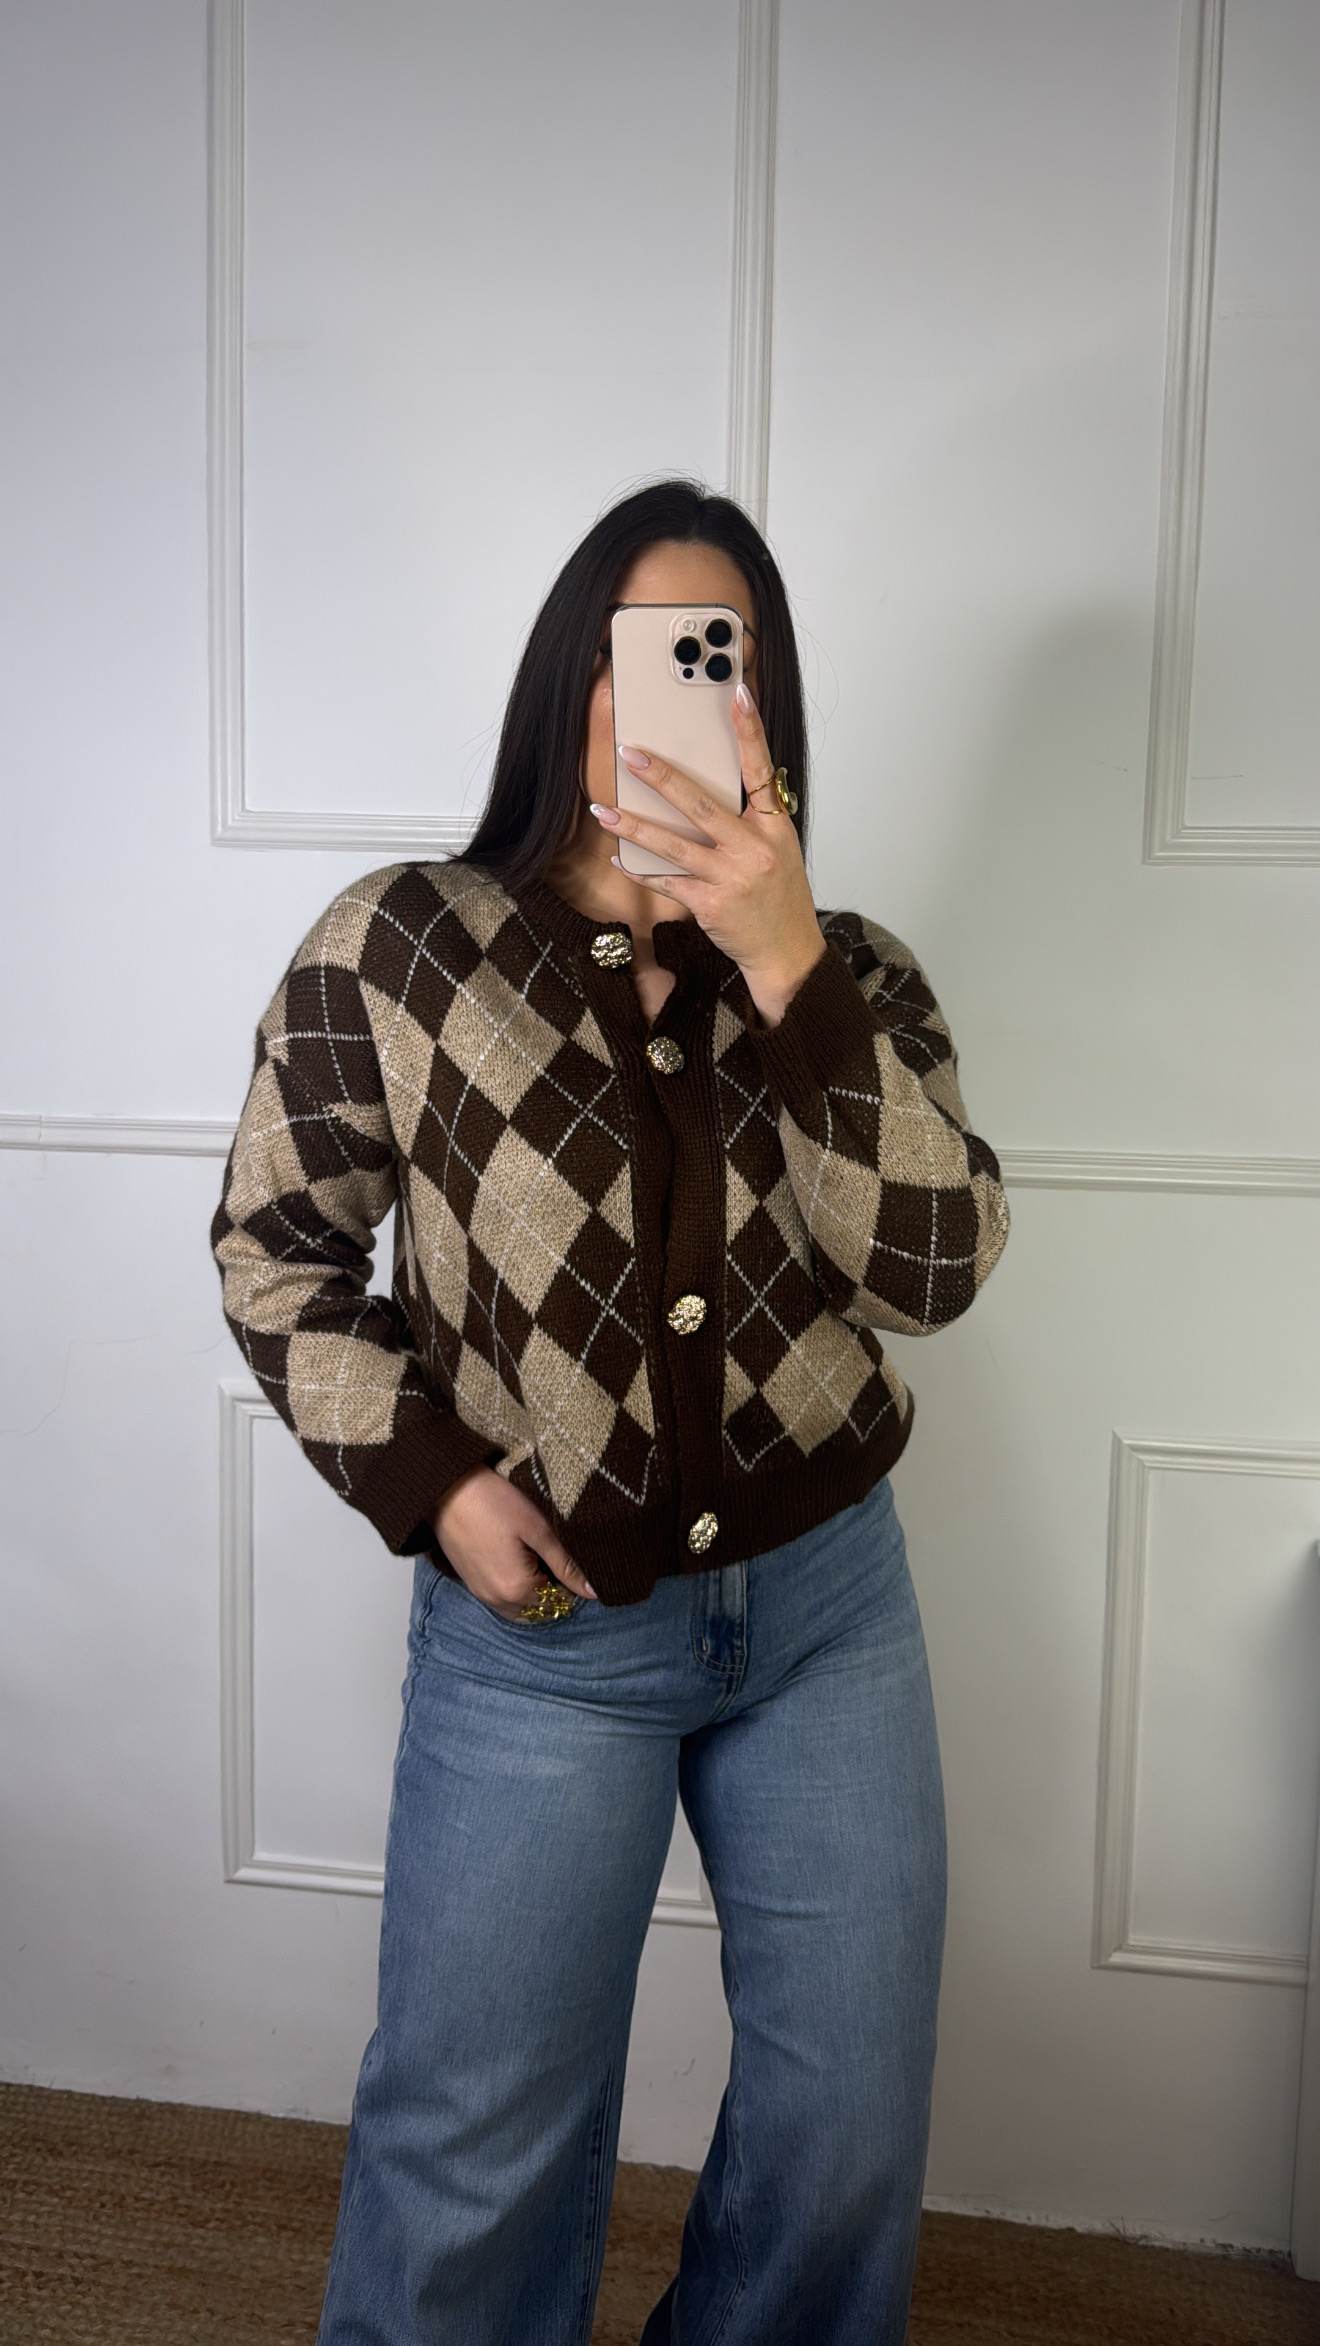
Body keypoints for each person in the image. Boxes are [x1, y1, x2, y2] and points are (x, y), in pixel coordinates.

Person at [212, 479, 1009, 2345]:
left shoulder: (856, 974)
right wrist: (435, 1482)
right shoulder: (404, 948)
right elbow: (274, 1245)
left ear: (766, 713)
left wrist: (787, 959)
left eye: (720, 663)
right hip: (545, 1639)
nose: (675, 700)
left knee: (845, 2135)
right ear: (569, 676)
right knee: (471, 2150)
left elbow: (933, 1267)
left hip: (830, 1616)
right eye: (640, 654)